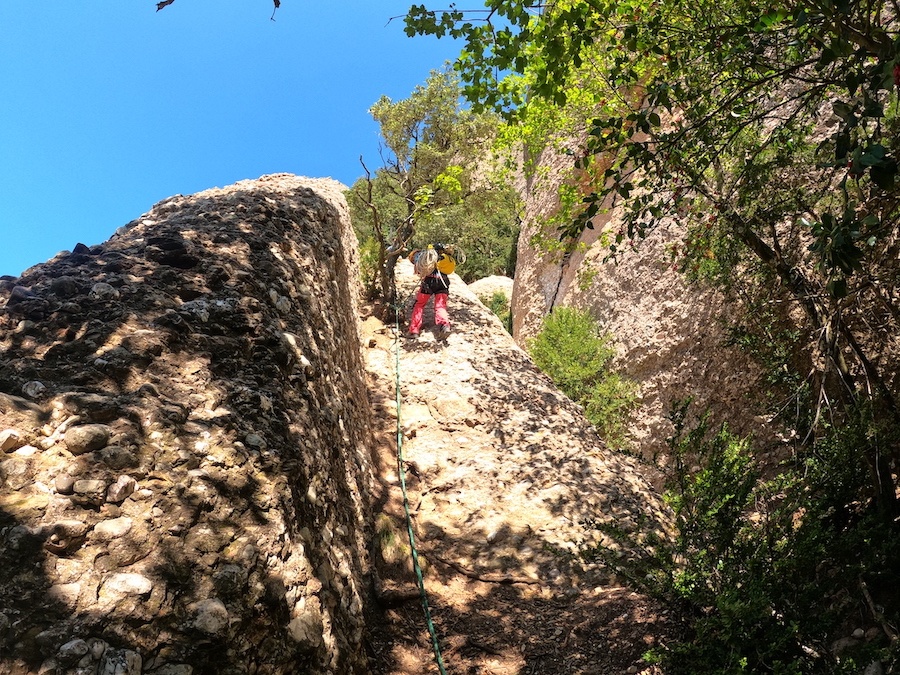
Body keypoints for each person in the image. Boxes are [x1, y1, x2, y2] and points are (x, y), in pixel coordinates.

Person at [406, 243, 461, 340]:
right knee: (440, 306)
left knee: (419, 305)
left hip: (429, 281)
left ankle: (414, 331)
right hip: (443, 281)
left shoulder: (427, 258)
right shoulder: (444, 259)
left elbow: (419, 270)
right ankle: (445, 326)